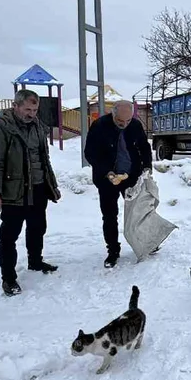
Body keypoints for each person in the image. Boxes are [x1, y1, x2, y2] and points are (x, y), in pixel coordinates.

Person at [0, 89, 61, 296]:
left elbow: (44, 159)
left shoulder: (38, 126)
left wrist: (51, 184)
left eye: (35, 110)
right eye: (27, 109)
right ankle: (8, 278)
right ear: (15, 106)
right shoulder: (0, 127)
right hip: (14, 191)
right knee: (9, 235)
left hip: (38, 188)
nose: (31, 114)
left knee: (38, 228)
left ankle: (35, 261)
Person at [84, 100, 153, 268]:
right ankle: (113, 250)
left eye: (128, 121)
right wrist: (107, 172)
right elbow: (90, 153)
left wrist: (147, 166)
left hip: (131, 176)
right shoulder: (99, 126)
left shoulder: (135, 125)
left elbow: (144, 147)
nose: (124, 124)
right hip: (107, 178)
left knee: (139, 211)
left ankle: (146, 242)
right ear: (113, 114)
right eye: (120, 121)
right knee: (109, 215)